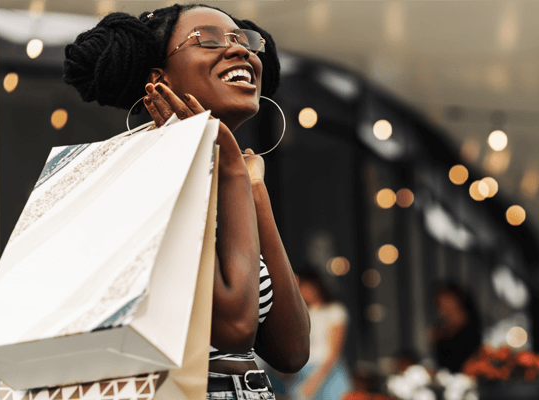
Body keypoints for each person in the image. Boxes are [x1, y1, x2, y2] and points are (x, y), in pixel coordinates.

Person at [63, 4, 310, 399]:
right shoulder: (144, 178)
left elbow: (292, 350)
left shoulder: (228, 183)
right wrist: (230, 168)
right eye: (209, 40)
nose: (240, 51)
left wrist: (254, 192)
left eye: (244, 40)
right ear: (159, 81)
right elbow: (233, 330)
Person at [290, 269, 351, 400]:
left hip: (328, 372)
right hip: (304, 371)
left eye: (304, 287)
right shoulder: (302, 314)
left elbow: (334, 352)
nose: (302, 292)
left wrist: (313, 382)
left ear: (316, 286)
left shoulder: (334, 310)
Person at [427, 283, 482, 373]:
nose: (444, 305)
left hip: (468, 374)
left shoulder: (470, 323)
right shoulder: (439, 328)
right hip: (445, 375)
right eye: (439, 302)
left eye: (447, 299)